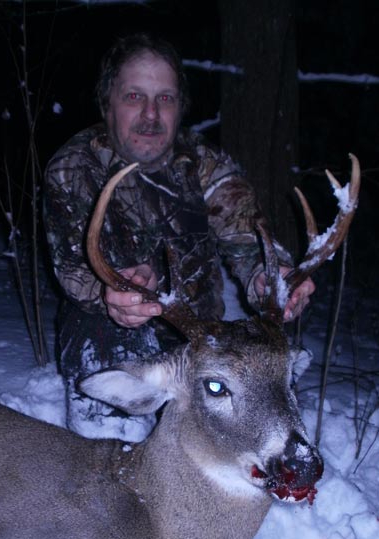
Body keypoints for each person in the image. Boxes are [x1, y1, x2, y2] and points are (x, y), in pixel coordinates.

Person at [43, 32, 315, 442]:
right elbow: (70, 265)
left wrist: (268, 274)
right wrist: (108, 292)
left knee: (261, 352)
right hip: (113, 325)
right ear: (107, 102)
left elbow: (246, 232)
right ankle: (109, 447)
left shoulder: (204, 164)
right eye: (134, 96)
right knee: (100, 338)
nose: (151, 114)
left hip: (204, 340)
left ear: (180, 107)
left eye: (165, 98)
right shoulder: (73, 168)